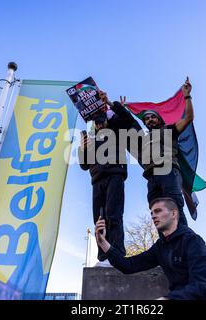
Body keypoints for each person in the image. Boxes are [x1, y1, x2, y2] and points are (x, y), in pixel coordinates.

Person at [95, 197, 206, 300]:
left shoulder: (193, 241)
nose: (153, 216)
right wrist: (103, 243)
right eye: (151, 213)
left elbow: (201, 287)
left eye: (158, 211)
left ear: (173, 214)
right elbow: (129, 265)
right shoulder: (160, 247)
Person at [79, 91, 141, 265]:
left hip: (115, 174)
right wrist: (83, 149)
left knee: (114, 215)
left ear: (106, 118)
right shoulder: (89, 137)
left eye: (101, 120)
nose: (99, 124)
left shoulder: (117, 129)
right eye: (96, 122)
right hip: (97, 179)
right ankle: (103, 256)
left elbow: (131, 123)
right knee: (99, 220)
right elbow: (84, 165)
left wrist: (112, 104)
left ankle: (117, 253)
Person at [139, 78, 195, 226]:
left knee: (174, 207)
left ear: (159, 119)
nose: (149, 120)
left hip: (169, 171)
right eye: (146, 119)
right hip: (151, 177)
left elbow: (189, 117)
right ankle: (165, 245)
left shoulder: (169, 130)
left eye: (152, 117)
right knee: (157, 213)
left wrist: (187, 96)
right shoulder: (144, 139)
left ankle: (185, 243)